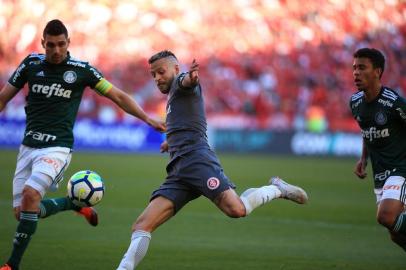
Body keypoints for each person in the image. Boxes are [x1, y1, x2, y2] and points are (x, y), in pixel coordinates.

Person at [116, 50, 308, 269]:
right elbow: (187, 122)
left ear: (176, 69)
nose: (157, 78)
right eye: (153, 75)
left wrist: (191, 78)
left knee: (236, 210)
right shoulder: (173, 99)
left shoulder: (180, 84)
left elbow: (187, 81)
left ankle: (277, 189)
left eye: (161, 72)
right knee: (142, 225)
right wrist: (171, 142)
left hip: (198, 162)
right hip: (179, 171)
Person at [0, 19, 165, 270]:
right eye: (51, 45)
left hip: (57, 147)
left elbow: (117, 95)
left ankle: (11, 265)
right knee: (22, 213)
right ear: (43, 43)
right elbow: (3, 98)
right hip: (28, 146)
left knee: (31, 195)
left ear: (69, 43)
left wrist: (146, 118)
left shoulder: (82, 70)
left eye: (61, 44)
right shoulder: (30, 65)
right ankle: (73, 204)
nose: (56, 50)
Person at [350, 48, 406, 251]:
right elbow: (367, 131)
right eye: (354, 68)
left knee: (385, 216)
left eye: (362, 67)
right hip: (380, 173)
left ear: (377, 71)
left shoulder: (393, 103)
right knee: (395, 234)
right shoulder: (355, 102)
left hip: (401, 169)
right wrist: (363, 159)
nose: (356, 72)